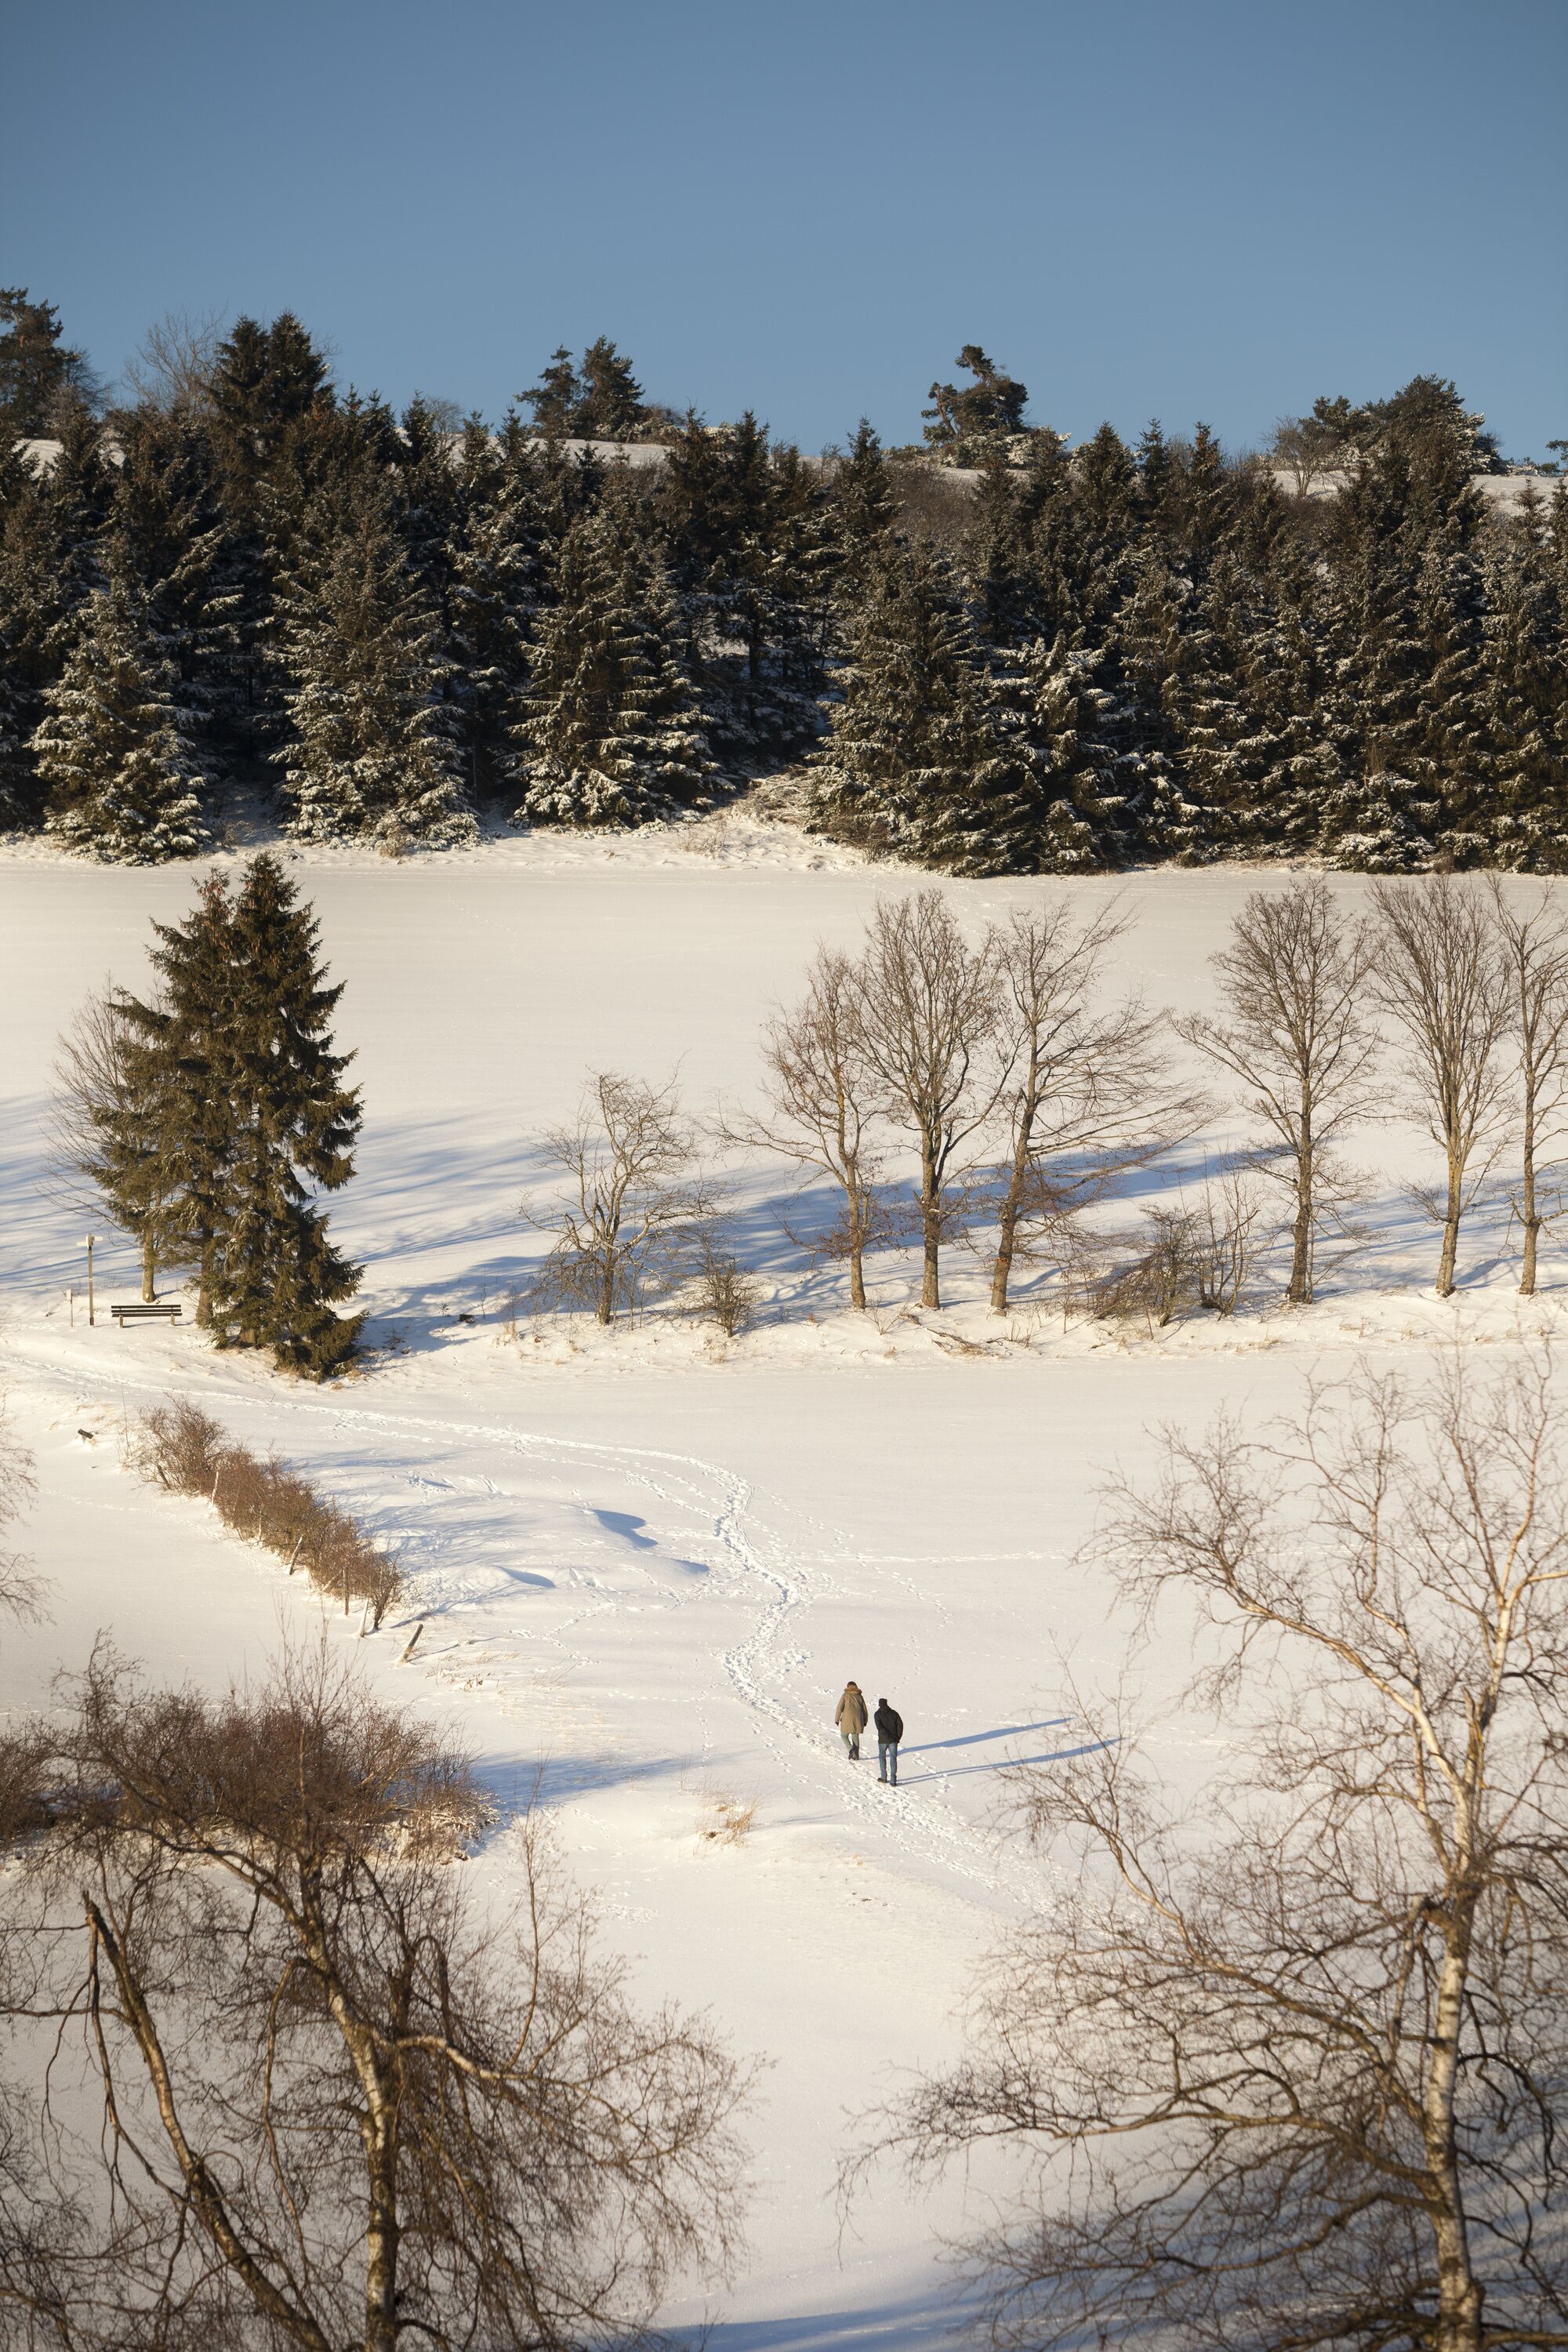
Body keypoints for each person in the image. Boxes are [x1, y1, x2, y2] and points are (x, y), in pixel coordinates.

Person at [873, 1696, 904, 1786]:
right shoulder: (894, 1713)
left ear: (879, 1705)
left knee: (882, 1757)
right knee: (893, 1759)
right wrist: (898, 1737)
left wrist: (886, 1736)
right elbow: (900, 1725)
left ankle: (884, 1777)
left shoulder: (877, 1714)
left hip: (883, 1740)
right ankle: (893, 1781)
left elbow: (879, 1727)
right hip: (893, 1740)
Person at [835, 1680, 868, 1761]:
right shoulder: (860, 1696)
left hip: (847, 1718)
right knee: (855, 1736)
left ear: (848, 1687)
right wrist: (865, 1721)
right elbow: (865, 1710)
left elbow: (840, 1708)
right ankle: (856, 1755)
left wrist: (837, 1719)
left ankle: (851, 1750)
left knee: (844, 1735)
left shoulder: (845, 1695)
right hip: (858, 1719)